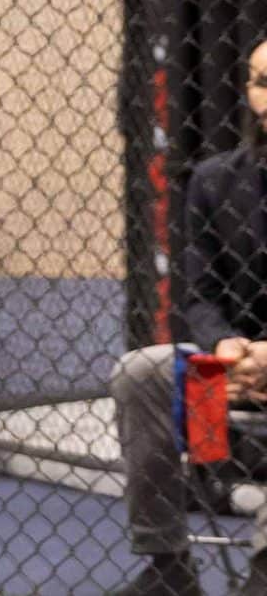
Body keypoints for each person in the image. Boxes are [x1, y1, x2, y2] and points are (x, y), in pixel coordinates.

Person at [107, 38, 267, 596]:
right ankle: (167, 564)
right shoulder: (215, 180)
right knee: (139, 372)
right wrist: (226, 347)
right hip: (230, 364)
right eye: (261, 82)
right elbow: (199, 294)